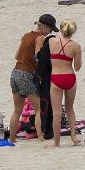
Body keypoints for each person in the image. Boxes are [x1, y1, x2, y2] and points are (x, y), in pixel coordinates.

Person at [9, 15, 53, 143]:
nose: (50, 33)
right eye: (50, 29)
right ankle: (40, 136)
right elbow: (38, 57)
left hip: (15, 72)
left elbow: (16, 55)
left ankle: (12, 138)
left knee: (17, 110)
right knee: (38, 108)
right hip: (26, 74)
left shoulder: (26, 35)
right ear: (44, 27)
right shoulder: (39, 37)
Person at [47, 20, 82, 147]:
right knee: (70, 109)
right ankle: (73, 138)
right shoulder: (76, 46)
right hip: (69, 77)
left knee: (56, 113)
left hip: (56, 77)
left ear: (61, 29)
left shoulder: (51, 42)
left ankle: (57, 143)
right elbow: (77, 67)